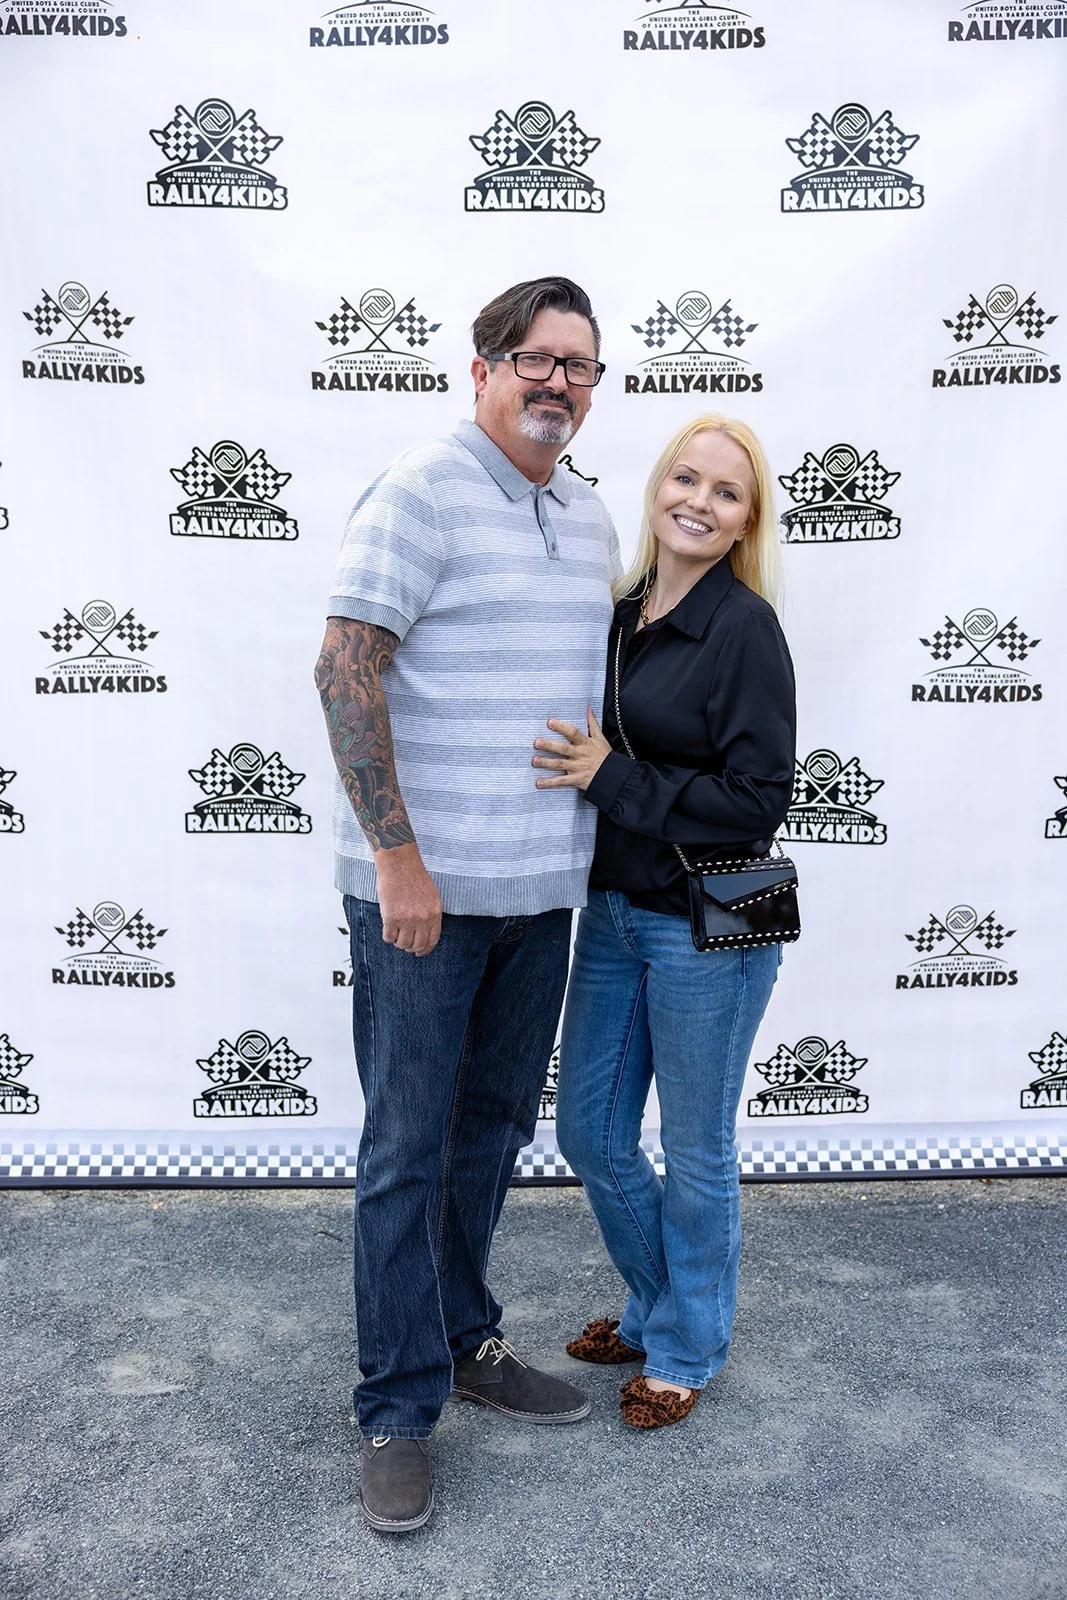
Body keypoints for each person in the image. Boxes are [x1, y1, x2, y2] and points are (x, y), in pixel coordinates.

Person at [315, 277, 620, 1531]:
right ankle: (394, 1405)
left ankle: (462, 1334)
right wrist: (397, 859)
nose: (560, 384)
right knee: (404, 1145)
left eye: (583, 367)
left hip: (539, 892)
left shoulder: (590, 514)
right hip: (424, 901)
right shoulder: (420, 489)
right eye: (538, 360)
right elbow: (344, 665)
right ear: (484, 365)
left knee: (488, 1131)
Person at [531, 414, 795, 1430]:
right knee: (588, 1132)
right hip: (610, 911)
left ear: (743, 522)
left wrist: (616, 777)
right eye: (684, 478)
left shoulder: (743, 628)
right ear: (655, 489)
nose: (698, 499)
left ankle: (685, 1342)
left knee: (694, 1148)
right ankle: (659, 1302)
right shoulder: (614, 612)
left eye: (724, 492)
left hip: (706, 924)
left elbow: (757, 796)